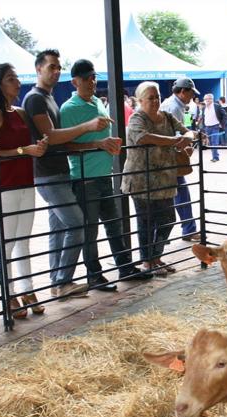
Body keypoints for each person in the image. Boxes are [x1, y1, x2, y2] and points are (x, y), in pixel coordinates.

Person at [60, 59, 152, 292]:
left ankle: (124, 266)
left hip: (103, 175)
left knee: (114, 225)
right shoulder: (69, 109)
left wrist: (107, 145)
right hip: (84, 177)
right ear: (75, 82)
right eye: (87, 78)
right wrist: (98, 144)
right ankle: (94, 275)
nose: (92, 81)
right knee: (90, 230)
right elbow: (66, 145)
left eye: (94, 77)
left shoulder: (96, 103)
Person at [23, 49, 109, 299]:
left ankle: (57, 281)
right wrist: (88, 126)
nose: (56, 71)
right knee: (76, 223)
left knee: (59, 228)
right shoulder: (36, 99)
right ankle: (63, 281)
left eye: (58, 67)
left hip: (58, 171)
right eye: (52, 67)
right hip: (48, 173)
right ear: (39, 69)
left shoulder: (47, 98)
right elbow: (51, 137)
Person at [0, 63, 48, 318]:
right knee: (6, 244)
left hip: (24, 181)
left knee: (23, 241)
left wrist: (36, 148)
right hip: (3, 185)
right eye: (11, 79)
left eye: (17, 78)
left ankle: (27, 289)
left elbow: (26, 146)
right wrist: (24, 151)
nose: (17, 83)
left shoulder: (19, 112)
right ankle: (8, 294)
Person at [124, 82, 195, 275]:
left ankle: (156, 257)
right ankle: (148, 262)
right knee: (146, 221)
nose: (155, 101)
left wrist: (187, 137)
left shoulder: (168, 117)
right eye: (150, 98)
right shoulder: (137, 118)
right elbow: (143, 138)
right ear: (140, 101)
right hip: (141, 180)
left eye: (157, 97)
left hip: (164, 177)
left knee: (168, 218)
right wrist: (174, 141)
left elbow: (187, 130)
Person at [159, 77, 201, 242]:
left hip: (171, 154)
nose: (192, 96)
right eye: (191, 93)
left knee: (177, 193)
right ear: (183, 91)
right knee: (179, 193)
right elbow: (176, 134)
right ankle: (187, 229)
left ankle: (187, 228)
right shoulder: (174, 107)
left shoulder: (179, 106)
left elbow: (184, 128)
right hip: (171, 156)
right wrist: (185, 145)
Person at [201, 93, 227, 162]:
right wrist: (203, 127)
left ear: (212, 99)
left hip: (215, 126)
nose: (207, 100)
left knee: (214, 142)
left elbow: (224, 114)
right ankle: (215, 156)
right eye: (205, 99)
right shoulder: (204, 108)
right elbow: (203, 118)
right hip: (207, 127)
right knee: (211, 143)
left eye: (208, 99)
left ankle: (215, 157)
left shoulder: (217, 106)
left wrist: (222, 124)